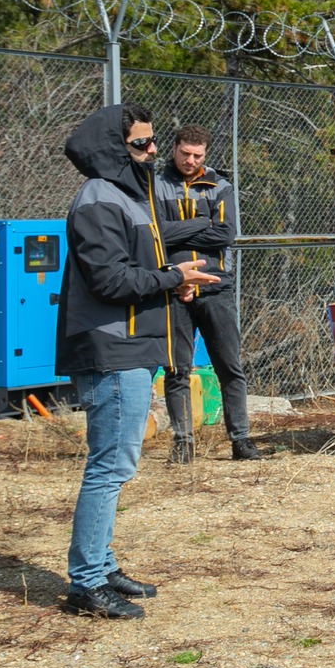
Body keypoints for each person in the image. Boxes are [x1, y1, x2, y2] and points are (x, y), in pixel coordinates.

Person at [57, 104, 220, 620]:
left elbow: (137, 267)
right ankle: (86, 583)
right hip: (111, 349)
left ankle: (102, 566)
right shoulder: (99, 197)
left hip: (131, 346)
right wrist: (173, 278)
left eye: (152, 142)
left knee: (116, 464)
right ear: (113, 148)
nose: (152, 151)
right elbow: (109, 280)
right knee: (110, 467)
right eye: (140, 144)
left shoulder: (129, 194)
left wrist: (174, 277)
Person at [153, 126, 258, 463]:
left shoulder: (220, 185)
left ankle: (240, 440)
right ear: (174, 149)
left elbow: (225, 234)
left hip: (216, 287)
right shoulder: (155, 185)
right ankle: (183, 443)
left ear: (205, 154)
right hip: (173, 288)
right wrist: (201, 223)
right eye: (185, 153)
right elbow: (155, 233)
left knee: (230, 366)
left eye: (197, 155)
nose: (190, 160)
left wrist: (179, 233)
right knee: (176, 369)